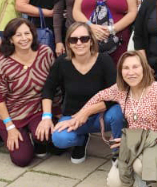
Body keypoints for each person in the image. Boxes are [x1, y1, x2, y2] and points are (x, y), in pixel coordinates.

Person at [84, 49, 157, 187]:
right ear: (121, 72)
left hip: (156, 143)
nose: (131, 72)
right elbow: (99, 96)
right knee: (114, 182)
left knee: (139, 165)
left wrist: (129, 141)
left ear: (144, 67)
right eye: (126, 68)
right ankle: (144, 180)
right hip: (132, 143)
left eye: (135, 67)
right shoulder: (121, 90)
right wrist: (82, 113)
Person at [36, 22, 123, 163]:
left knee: (118, 112)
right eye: (73, 39)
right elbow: (48, 89)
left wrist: (86, 112)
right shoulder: (62, 62)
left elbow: (115, 95)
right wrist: (46, 117)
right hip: (73, 116)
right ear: (68, 43)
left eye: (84, 38)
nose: (79, 43)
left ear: (91, 41)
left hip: (101, 116)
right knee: (59, 139)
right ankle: (81, 140)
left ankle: (118, 152)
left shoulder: (104, 60)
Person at [0, 17, 55, 167]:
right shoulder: (1, 64)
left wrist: (53, 115)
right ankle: (17, 135)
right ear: (11, 39)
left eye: (27, 33)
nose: (24, 38)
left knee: (52, 137)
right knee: (22, 159)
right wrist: (10, 127)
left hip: (38, 109)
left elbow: (53, 86)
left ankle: (38, 139)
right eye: (18, 35)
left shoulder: (45, 53)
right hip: (12, 114)